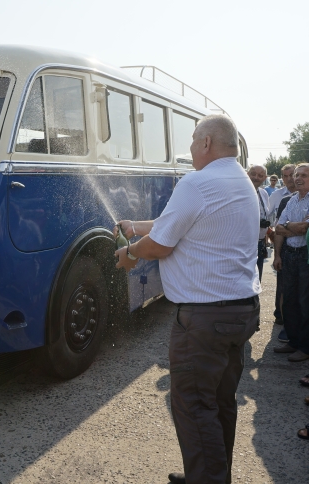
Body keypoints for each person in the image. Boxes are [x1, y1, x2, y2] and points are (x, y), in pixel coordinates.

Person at [116, 114, 260, 484]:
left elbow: (161, 244)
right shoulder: (239, 180)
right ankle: (210, 473)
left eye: (194, 141)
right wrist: (139, 226)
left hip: (203, 321)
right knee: (219, 403)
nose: (191, 149)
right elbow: (179, 223)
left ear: (207, 143)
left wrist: (130, 252)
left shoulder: (198, 182)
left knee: (195, 408)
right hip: (239, 311)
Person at [272, 163, 309, 362]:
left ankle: (305, 346)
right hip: (289, 255)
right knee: (290, 302)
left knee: (305, 303)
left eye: (303, 175)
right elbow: (278, 229)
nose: (297, 178)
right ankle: (294, 342)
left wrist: (289, 227)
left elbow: (304, 228)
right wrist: (289, 228)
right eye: (296, 175)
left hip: (305, 256)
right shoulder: (292, 200)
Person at [268, 164, 296, 325]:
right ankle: (280, 315)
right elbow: (267, 216)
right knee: (283, 284)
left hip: (301, 248)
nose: (288, 179)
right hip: (283, 245)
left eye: (291, 174)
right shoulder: (279, 196)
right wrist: (271, 234)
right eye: (284, 176)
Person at [247, 165, 269, 281]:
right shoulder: (239, 192)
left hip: (260, 244)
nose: (256, 177)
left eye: (260, 175)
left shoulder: (263, 193)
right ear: (247, 173)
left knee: (257, 280)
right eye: (253, 174)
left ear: (265, 178)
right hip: (245, 244)